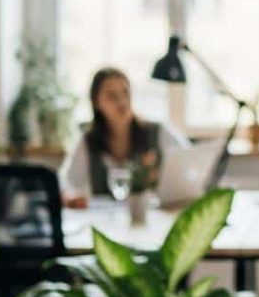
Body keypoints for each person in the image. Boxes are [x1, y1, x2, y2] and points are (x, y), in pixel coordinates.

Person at [58, 67, 190, 208]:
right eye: (112, 96)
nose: (122, 101)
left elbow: (189, 162)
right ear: (97, 103)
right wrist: (70, 196)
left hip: (152, 220)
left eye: (125, 93)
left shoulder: (158, 131)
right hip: (106, 221)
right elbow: (68, 183)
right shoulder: (89, 140)